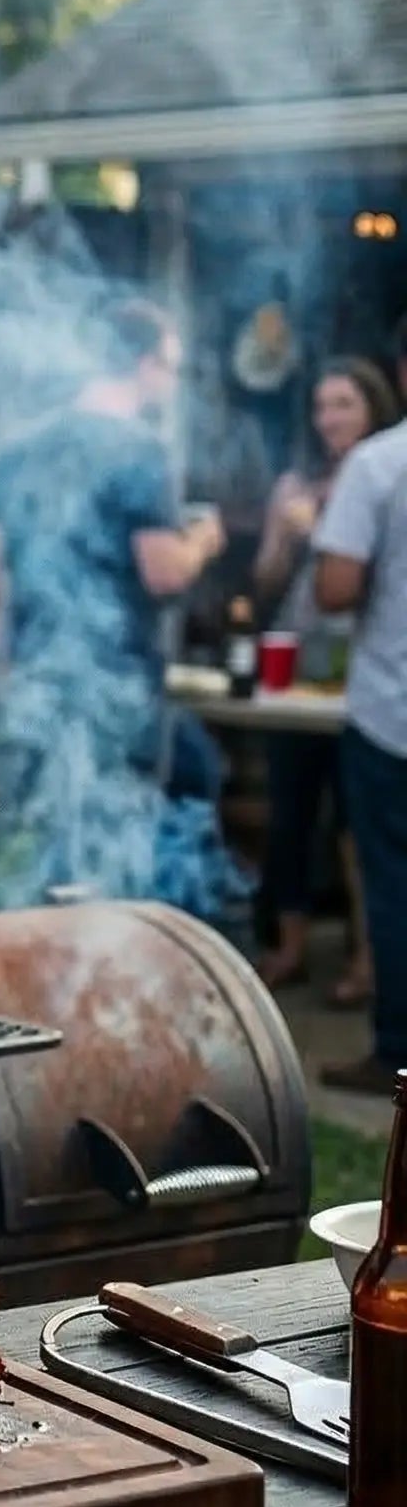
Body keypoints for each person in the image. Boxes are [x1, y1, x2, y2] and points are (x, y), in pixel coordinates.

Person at [0, 298, 224, 901]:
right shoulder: (140, 449)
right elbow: (163, 572)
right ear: (141, 362)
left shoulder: (23, 444)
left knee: (47, 829)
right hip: (117, 683)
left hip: (38, 671)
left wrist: (7, 648)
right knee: (122, 832)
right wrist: (204, 542)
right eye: (170, 365)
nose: (171, 380)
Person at [251, 357, 398, 999]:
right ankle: (290, 947)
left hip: (366, 672)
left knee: (358, 828)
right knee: (292, 808)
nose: (331, 417)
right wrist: (285, 537)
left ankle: (370, 959)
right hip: (299, 659)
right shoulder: (297, 485)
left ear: (373, 407)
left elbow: (346, 586)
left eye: (344, 403)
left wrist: (325, 540)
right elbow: (264, 586)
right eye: (322, 406)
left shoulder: (380, 474)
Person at [312, 403, 407, 1095]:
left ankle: (398, 1055)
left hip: (393, 714)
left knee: (395, 888)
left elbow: (334, 588)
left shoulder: (379, 463)